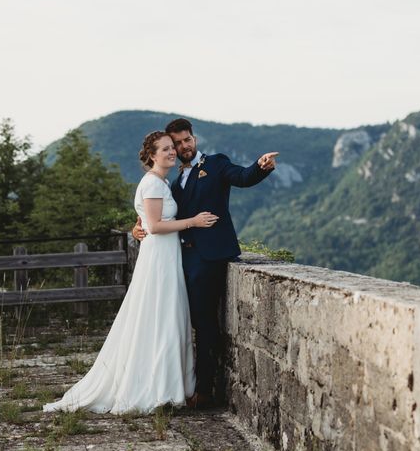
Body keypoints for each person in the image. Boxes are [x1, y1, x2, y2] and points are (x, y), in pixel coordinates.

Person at [43, 131, 218, 414]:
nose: (172, 152)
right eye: (165, 149)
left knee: (166, 320)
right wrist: (193, 222)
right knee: (158, 319)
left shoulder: (162, 182)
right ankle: (157, 390)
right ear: (152, 155)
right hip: (159, 259)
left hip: (165, 256)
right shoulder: (152, 183)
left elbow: (145, 224)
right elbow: (156, 226)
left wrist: (143, 228)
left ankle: (167, 387)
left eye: (172, 148)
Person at [133, 118, 277, 408]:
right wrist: (138, 227)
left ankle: (204, 390)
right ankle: (177, 383)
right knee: (178, 321)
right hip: (179, 258)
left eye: (188, 140)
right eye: (177, 144)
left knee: (204, 322)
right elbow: (159, 215)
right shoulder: (173, 181)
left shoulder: (216, 163)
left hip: (209, 257)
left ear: (194, 139)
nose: (183, 147)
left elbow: (242, 176)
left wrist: (261, 167)